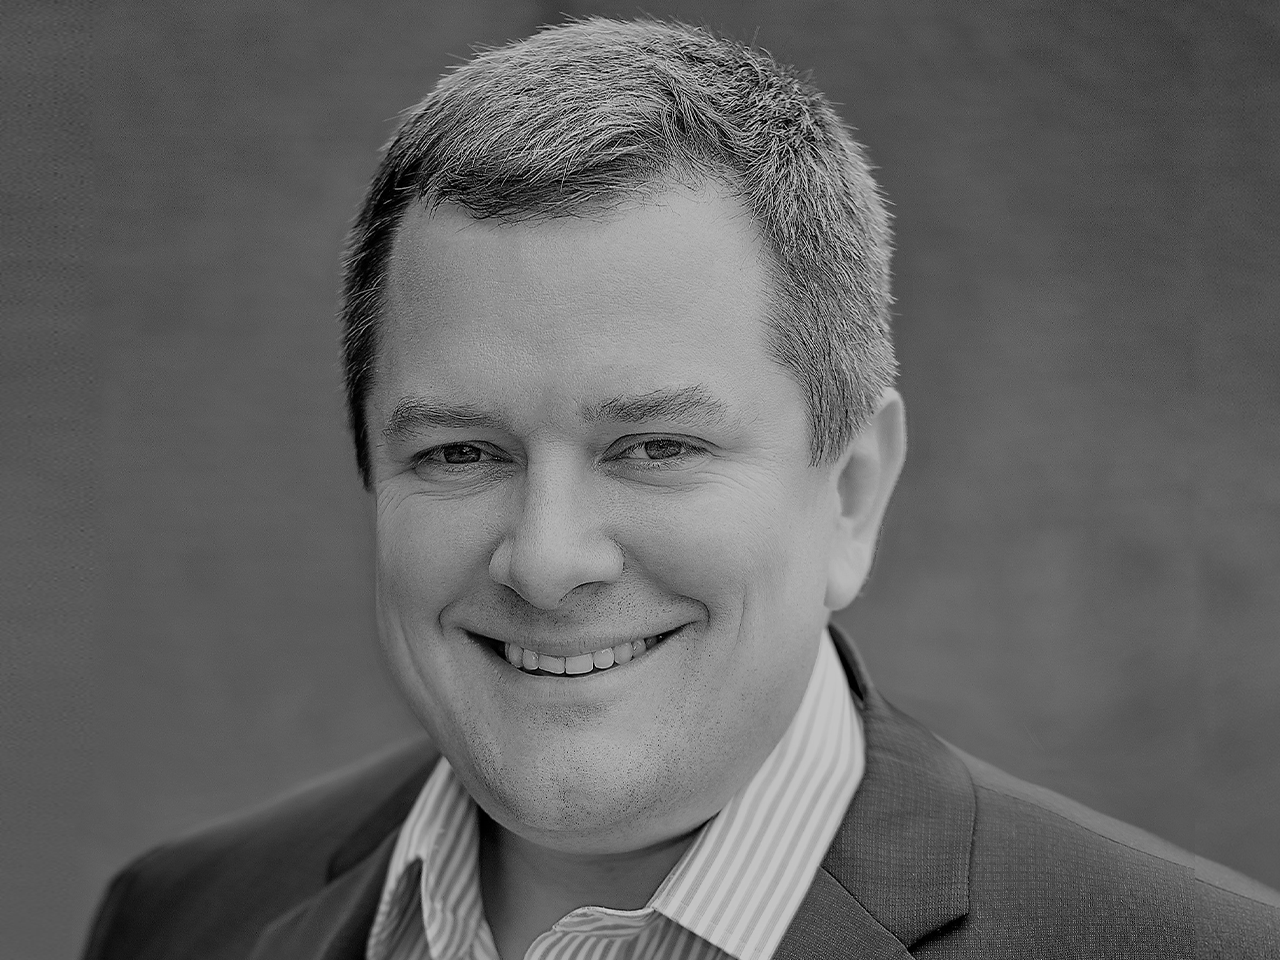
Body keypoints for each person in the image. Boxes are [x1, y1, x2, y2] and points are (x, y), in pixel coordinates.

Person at [83, 17, 1278, 960]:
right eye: (460, 453)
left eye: (653, 447)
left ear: (851, 491)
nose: (546, 560)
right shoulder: (180, 922)